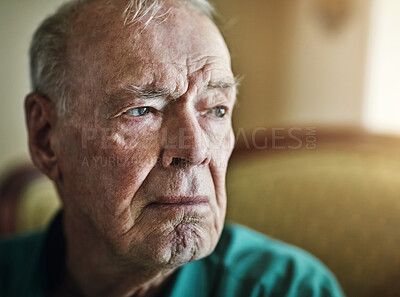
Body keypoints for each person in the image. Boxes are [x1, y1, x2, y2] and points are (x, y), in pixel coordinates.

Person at [0, 0, 345, 296]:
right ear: (46, 138)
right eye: (141, 110)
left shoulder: (292, 289)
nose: (195, 151)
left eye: (216, 109)